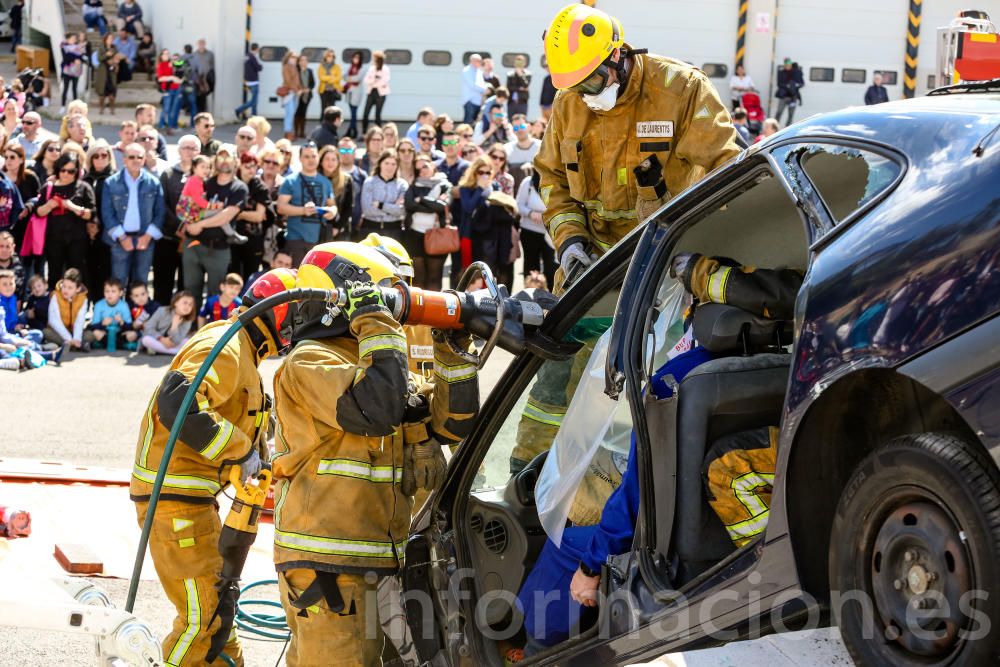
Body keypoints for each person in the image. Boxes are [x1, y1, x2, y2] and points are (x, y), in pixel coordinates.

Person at [272, 243, 477, 667]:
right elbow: (377, 409)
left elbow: (452, 425)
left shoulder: (377, 363)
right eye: (379, 294)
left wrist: (451, 351)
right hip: (327, 563)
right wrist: (376, 319)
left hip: (381, 556)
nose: (392, 313)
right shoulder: (309, 362)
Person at [536, 3, 741, 294]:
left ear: (616, 55)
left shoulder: (681, 89)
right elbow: (552, 179)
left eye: (592, 83)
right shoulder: (568, 102)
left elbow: (725, 169)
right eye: (576, 87)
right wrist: (569, 240)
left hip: (666, 266)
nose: (585, 97)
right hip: (592, 270)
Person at [182, 148, 247, 306]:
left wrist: (199, 224)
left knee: (216, 295)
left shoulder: (239, 188)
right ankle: (190, 327)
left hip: (218, 248)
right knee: (190, 292)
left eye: (228, 157)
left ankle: (212, 329)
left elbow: (226, 215)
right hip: (193, 244)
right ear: (215, 161)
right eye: (221, 157)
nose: (224, 160)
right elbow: (190, 203)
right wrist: (189, 223)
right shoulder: (205, 182)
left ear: (235, 161)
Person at [101, 141, 164, 286]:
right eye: (131, 157)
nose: (136, 160)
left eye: (139, 157)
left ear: (144, 160)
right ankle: (120, 310)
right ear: (124, 160)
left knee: (141, 283)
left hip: (145, 240)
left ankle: (137, 309)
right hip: (119, 240)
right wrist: (122, 238)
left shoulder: (153, 183)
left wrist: (148, 236)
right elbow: (107, 213)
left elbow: (160, 212)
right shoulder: (111, 183)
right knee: (118, 282)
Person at [34, 153, 94, 289]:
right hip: (54, 240)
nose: (66, 174)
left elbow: (91, 214)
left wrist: (71, 207)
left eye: (71, 171)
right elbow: (38, 212)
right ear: (58, 169)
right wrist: (49, 205)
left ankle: (78, 306)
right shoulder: (49, 187)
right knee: (54, 275)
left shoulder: (83, 187)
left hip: (77, 241)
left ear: (77, 171)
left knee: (77, 275)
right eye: (63, 170)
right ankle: (54, 305)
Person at [275, 141, 337, 265]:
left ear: (318, 158)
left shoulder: (325, 182)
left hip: (319, 241)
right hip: (296, 240)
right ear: (300, 159)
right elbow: (281, 208)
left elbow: (333, 206)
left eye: (313, 156)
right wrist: (303, 210)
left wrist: (331, 212)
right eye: (306, 156)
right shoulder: (290, 181)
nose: (311, 160)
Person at [155, 134, 198, 301]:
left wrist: (191, 227)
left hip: (193, 239)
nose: (190, 152)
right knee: (163, 282)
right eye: (186, 148)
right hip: (168, 236)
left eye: (194, 148)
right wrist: (180, 226)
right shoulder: (168, 174)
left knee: (186, 283)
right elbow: (161, 204)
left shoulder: (204, 176)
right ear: (179, 151)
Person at [177, 154, 248, 246]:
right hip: (190, 213)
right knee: (218, 211)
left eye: (207, 167)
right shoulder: (195, 181)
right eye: (202, 167)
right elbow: (198, 200)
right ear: (194, 168)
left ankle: (231, 234)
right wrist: (212, 206)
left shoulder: (201, 180)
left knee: (219, 213)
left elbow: (224, 216)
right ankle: (231, 234)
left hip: (193, 213)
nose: (206, 170)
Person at [403, 153, 450, 290]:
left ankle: (434, 309)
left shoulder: (445, 185)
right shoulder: (412, 186)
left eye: (425, 166)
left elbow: (443, 206)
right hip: (414, 235)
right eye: (418, 169)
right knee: (417, 277)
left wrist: (421, 200)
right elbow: (410, 204)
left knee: (434, 277)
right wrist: (432, 206)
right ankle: (419, 310)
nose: (422, 171)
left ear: (433, 167)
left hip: (437, 235)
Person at [83, 141, 116, 297]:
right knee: (88, 272)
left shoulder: (115, 179)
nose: (100, 159)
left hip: (108, 233)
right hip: (87, 233)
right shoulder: (85, 179)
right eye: (96, 156)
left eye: (104, 155)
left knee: (106, 273)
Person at [231, 151, 270, 280]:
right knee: (233, 276)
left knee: (250, 278)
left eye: (254, 166)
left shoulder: (260, 187)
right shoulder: (232, 183)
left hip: (253, 239)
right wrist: (247, 214)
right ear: (239, 166)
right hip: (231, 238)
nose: (251, 170)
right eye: (247, 166)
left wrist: (237, 214)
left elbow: (259, 216)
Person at [516, 164, 555, 290]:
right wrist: (531, 213)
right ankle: (528, 299)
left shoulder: (557, 182)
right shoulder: (527, 183)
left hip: (551, 234)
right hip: (530, 232)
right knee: (531, 268)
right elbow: (519, 205)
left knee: (552, 269)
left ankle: (552, 300)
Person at [360, 148, 407, 243]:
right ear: (380, 163)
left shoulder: (402, 185)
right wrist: (392, 208)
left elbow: (402, 211)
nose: (390, 167)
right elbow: (367, 210)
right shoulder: (369, 182)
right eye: (386, 163)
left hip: (394, 231)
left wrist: (380, 205)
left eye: (393, 164)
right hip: (370, 230)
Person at [43, 267, 89, 351]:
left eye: (70, 288)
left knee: (90, 335)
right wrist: (68, 338)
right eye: (64, 286)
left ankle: (72, 344)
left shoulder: (83, 299)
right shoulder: (55, 296)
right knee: (45, 332)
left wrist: (77, 338)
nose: (65, 290)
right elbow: (53, 320)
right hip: (58, 332)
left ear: (78, 289)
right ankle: (74, 345)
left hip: (73, 331)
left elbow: (80, 320)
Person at [138, 289, 196, 355]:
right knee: (146, 339)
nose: (187, 306)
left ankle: (158, 349)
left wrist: (174, 327)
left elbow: (178, 340)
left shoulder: (188, 320)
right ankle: (176, 352)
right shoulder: (162, 311)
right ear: (176, 303)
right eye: (185, 303)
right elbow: (148, 327)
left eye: (190, 305)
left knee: (187, 342)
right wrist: (161, 339)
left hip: (173, 344)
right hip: (157, 339)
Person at [83, 276, 131, 349]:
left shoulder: (124, 305)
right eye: (107, 291)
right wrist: (102, 323)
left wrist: (121, 322)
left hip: (119, 333)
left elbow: (129, 326)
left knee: (132, 334)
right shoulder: (99, 305)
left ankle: (107, 344)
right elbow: (94, 325)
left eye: (113, 291)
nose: (109, 294)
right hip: (104, 333)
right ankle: (118, 345)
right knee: (95, 333)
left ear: (120, 293)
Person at [318, 144, 352, 240]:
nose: (330, 163)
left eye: (333, 159)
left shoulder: (346, 180)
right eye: (327, 159)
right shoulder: (315, 179)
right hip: (317, 229)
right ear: (321, 161)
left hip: (339, 230)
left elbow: (348, 207)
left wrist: (338, 227)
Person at [337, 137, 366, 238]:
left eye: (349, 150)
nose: (346, 153)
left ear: (355, 153)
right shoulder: (332, 174)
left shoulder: (362, 175)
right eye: (342, 150)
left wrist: (363, 217)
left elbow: (366, 200)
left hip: (357, 226)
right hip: (336, 226)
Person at [504, 113, 541, 193]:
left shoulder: (541, 146)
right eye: (516, 128)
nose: (520, 130)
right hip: (515, 191)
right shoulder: (507, 149)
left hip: (538, 191)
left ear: (529, 127)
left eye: (522, 126)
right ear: (513, 130)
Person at [362, 51, 390, 133]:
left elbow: (385, 81)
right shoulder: (371, 68)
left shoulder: (385, 69)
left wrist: (374, 81)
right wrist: (375, 80)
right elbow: (366, 80)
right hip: (371, 92)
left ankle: (379, 132)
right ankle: (364, 132)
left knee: (377, 114)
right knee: (366, 113)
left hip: (381, 93)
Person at [235, 43, 263, 120]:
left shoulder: (247, 56)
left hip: (248, 81)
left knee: (255, 101)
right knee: (253, 101)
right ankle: (239, 110)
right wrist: (261, 66)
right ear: (256, 49)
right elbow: (258, 67)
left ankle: (254, 117)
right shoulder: (252, 57)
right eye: (258, 50)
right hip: (254, 81)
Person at [125, 279, 159, 344]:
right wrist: (133, 325)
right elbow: (126, 324)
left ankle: (149, 344)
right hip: (137, 332)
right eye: (136, 296)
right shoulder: (129, 307)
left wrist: (148, 324)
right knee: (130, 335)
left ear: (147, 293)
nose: (140, 298)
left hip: (153, 332)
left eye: (143, 294)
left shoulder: (155, 306)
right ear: (131, 297)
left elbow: (160, 324)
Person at [156, 49, 182, 133]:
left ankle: (170, 128)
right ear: (161, 56)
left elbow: (181, 65)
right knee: (166, 109)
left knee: (173, 110)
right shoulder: (160, 65)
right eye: (165, 54)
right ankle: (161, 126)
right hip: (167, 89)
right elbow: (160, 78)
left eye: (168, 53)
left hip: (176, 88)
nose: (167, 55)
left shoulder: (172, 64)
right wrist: (171, 78)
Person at [774, 58, 804, 126]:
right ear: (784, 65)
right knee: (779, 112)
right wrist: (787, 86)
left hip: (793, 97)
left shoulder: (797, 72)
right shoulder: (781, 72)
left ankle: (786, 130)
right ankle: (774, 128)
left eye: (789, 65)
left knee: (790, 115)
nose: (788, 66)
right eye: (786, 65)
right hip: (784, 96)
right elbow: (779, 84)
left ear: (791, 65)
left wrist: (795, 85)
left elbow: (802, 83)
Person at [279, 50, 302, 141]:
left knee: (291, 114)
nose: (294, 59)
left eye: (296, 57)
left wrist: (300, 89)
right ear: (288, 57)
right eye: (292, 57)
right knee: (289, 113)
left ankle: (288, 132)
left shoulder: (294, 67)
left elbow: (297, 80)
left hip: (294, 93)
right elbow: (288, 81)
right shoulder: (286, 67)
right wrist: (297, 91)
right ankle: (288, 133)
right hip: (289, 93)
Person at [343, 51, 365, 139]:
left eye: (358, 58)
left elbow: (357, 79)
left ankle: (352, 131)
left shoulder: (362, 68)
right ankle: (352, 130)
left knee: (353, 113)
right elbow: (344, 76)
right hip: (349, 93)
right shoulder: (350, 67)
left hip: (356, 93)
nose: (356, 59)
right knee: (352, 113)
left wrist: (349, 79)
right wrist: (350, 79)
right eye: (354, 57)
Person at [60, 34, 85, 111]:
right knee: (66, 88)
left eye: (75, 38)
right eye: (72, 38)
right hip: (67, 71)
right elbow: (66, 57)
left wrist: (80, 59)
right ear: (68, 39)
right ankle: (63, 106)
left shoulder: (78, 47)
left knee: (75, 88)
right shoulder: (64, 47)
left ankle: (75, 107)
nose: (74, 39)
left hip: (76, 71)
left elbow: (81, 56)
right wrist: (75, 59)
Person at [316, 49, 343, 121]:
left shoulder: (337, 67)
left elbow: (338, 78)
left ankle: (331, 126)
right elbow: (321, 77)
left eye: (332, 56)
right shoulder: (321, 66)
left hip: (333, 90)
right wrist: (332, 77)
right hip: (323, 90)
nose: (330, 57)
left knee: (332, 110)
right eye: (329, 56)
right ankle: (322, 126)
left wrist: (328, 79)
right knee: (324, 109)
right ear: (325, 57)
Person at [293, 54, 315, 140]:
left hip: (307, 96)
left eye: (305, 60)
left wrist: (308, 89)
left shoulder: (310, 71)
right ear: (299, 62)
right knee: (297, 114)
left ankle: (302, 132)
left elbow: (313, 83)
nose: (303, 62)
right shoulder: (296, 71)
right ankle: (295, 132)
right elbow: (294, 83)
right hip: (298, 95)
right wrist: (300, 89)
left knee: (303, 114)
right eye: (302, 60)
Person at [191, 39, 216, 114]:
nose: (201, 45)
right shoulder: (194, 54)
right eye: (200, 44)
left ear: (205, 44)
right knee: (197, 96)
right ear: (197, 45)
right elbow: (192, 67)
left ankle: (203, 112)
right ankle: (198, 112)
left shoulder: (210, 54)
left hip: (206, 78)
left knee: (204, 96)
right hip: (197, 78)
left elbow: (212, 65)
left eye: (203, 44)